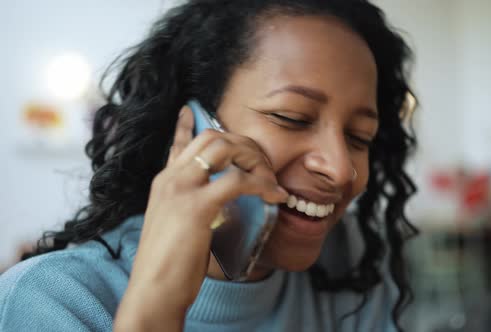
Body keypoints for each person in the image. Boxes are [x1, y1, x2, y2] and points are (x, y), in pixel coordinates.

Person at [0, 0, 417, 331]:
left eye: (359, 138)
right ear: (192, 123)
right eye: (292, 118)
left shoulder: (354, 269)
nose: (341, 169)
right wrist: (156, 308)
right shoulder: (54, 301)